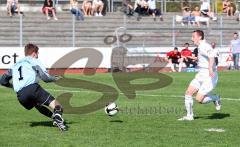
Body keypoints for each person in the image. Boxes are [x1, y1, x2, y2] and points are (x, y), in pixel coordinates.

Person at [0, 43, 67, 131]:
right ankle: (58, 118)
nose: (38, 55)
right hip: (33, 89)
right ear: (34, 53)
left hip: (20, 96)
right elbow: (45, 78)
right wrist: (56, 79)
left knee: (37, 105)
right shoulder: (34, 61)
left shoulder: (15, 65)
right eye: (38, 53)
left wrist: (12, 86)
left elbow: (2, 81)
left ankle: (54, 118)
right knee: (58, 106)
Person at [178, 30, 221, 121]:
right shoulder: (200, 47)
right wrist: (192, 58)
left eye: (193, 36)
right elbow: (202, 58)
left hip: (209, 76)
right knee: (188, 93)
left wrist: (210, 68)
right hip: (201, 74)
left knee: (199, 99)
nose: (192, 39)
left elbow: (211, 56)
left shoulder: (204, 46)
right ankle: (189, 116)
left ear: (200, 37)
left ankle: (215, 97)